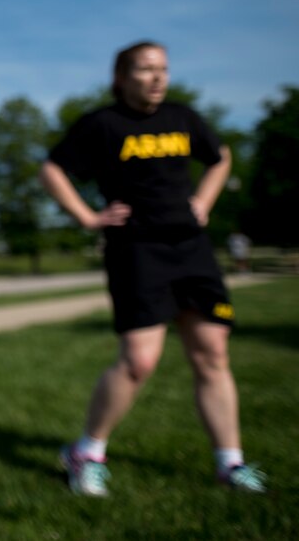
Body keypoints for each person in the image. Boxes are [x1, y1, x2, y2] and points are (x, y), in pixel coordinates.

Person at [39, 40, 266, 497]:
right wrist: (87, 217)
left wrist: (202, 201)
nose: (158, 77)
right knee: (140, 361)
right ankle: (87, 452)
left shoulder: (183, 118)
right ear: (122, 78)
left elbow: (220, 157)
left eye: (163, 69)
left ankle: (230, 463)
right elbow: (53, 169)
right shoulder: (102, 124)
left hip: (191, 248)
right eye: (145, 69)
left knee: (212, 354)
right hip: (137, 250)